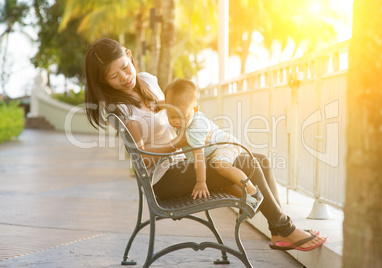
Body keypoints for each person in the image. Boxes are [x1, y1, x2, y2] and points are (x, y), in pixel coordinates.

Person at [84, 37, 327, 251]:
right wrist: (178, 144)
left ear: (129, 55)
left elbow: (176, 115)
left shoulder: (147, 80)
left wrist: (198, 134)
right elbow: (142, 156)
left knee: (260, 160)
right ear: (104, 82)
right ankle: (286, 229)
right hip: (163, 179)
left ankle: (278, 231)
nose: (125, 77)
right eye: (114, 76)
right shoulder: (121, 109)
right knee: (246, 161)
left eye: (125, 68)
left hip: (184, 161)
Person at [163, 78, 263, 207]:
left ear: (195, 110)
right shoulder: (185, 112)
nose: (177, 121)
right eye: (172, 116)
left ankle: (253, 192)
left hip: (224, 145)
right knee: (224, 183)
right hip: (212, 151)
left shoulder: (196, 128)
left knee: (221, 166)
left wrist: (201, 182)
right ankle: (245, 201)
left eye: (182, 117)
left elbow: (199, 157)